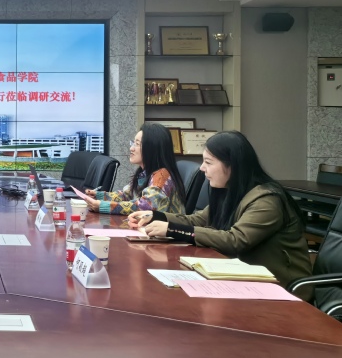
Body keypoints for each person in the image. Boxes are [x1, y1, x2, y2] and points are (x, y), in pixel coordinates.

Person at [128, 130, 312, 290]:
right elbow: (198, 220)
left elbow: (235, 240)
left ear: (232, 165)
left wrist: (172, 230)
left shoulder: (266, 200)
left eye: (208, 162)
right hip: (244, 276)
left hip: (281, 286)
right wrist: (156, 216)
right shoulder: (233, 192)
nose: (202, 168)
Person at [83, 123, 186, 215]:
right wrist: (98, 196)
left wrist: (103, 206)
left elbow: (146, 207)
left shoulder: (162, 175)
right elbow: (126, 195)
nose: (131, 148)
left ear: (152, 148)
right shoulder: (144, 173)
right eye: (133, 143)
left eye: (137, 144)